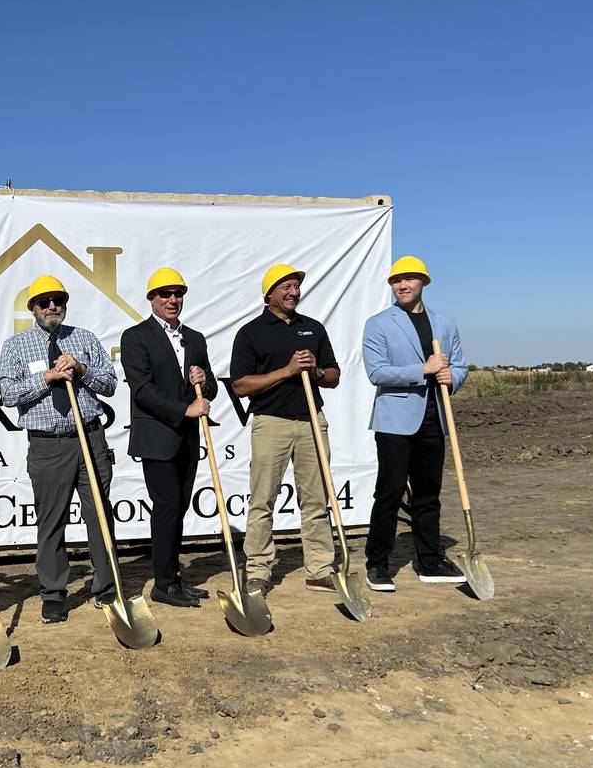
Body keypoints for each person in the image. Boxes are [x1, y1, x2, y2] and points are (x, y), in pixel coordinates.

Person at [0, 275, 119, 625]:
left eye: (58, 301)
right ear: (33, 308)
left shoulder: (83, 338)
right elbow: (8, 395)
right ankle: (53, 594)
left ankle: (106, 587)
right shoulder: (16, 346)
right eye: (44, 302)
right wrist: (47, 378)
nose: (52, 307)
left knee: (99, 514)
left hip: (90, 438)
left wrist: (81, 369)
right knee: (52, 521)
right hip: (49, 444)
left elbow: (110, 385)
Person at [228, 263, 341, 597]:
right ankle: (258, 571)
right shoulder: (251, 332)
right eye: (286, 287)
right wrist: (287, 371)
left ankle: (319, 570)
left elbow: (334, 376)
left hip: (311, 421)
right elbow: (241, 385)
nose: (293, 292)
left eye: (296, 287)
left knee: (316, 500)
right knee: (263, 500)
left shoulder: (313, 329)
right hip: (271, 423)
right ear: (269, 294)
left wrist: (316, 371)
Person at [361, 255, 468, 591]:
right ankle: (377, 564)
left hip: (435, 419)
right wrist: (422, 370)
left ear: (424, 282)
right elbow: (376, 372)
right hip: (395, 422)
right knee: (389, 493)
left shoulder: (445, 324)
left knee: (428, 495)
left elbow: (461, 367)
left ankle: (429, 559)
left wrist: (452, 377)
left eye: (409, 279)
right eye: (396, 281)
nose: (402, 286)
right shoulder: (379, 324)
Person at [120, 267, 218, 608]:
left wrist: (203, 380)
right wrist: (184, 410)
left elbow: (212, 389)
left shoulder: (195, 338)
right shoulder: (136, 337)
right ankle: (162, 584)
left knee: (178, 508)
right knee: (166, 507)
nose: (172, 300)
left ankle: (174, 578)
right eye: (165, 294)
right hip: (157, 437)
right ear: (151, 299)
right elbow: (142, 390)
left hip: (188, 440)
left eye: (178, 294)